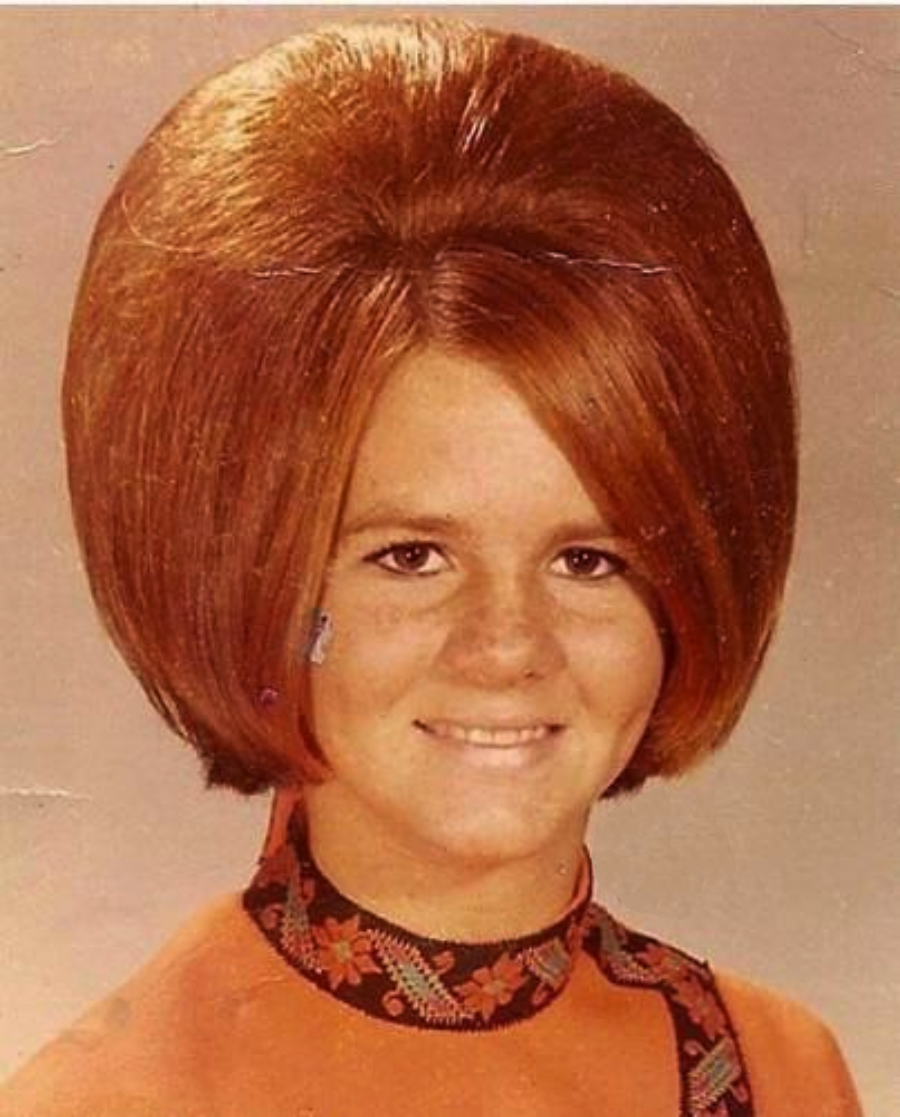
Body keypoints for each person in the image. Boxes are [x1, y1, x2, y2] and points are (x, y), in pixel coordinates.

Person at [0, 15, 861, 1116]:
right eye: (411, 556)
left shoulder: (775, 1071)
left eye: (589, 560)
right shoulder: (112, 1099)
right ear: (256, 580)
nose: (507, 645)